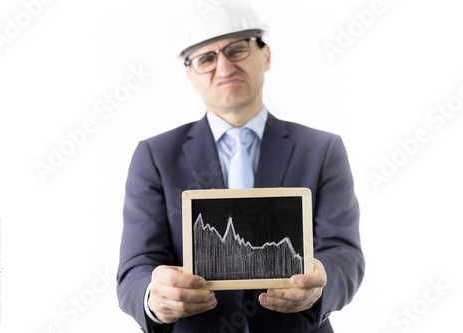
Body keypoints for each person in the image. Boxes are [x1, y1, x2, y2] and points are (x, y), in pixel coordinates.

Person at [117, 1, 364, 332]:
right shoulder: (155, 156)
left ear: (266, 55)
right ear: (190, 75)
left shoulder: (321, 149)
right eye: (206, 59)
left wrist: (321, 285)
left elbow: (344, 252)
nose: (224, 67)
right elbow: (136, 267)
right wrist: (154, 297)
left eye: (236, 50)